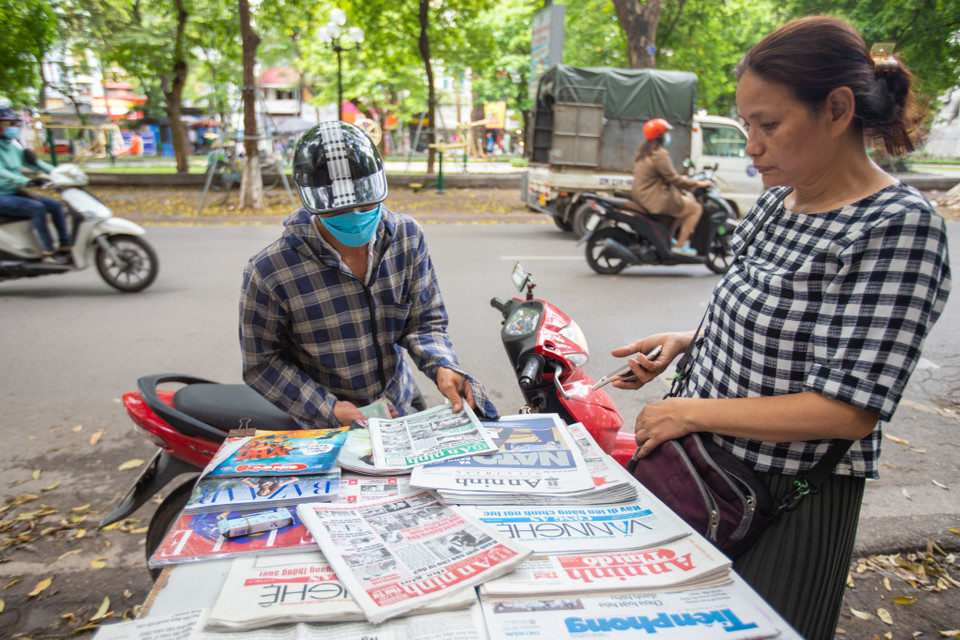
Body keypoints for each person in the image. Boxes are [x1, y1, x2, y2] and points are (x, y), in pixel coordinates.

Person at [609, 16, 950, 640]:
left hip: (789, 495)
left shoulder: (895, 226)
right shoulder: (774, 202)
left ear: (838, 109)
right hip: (701, 467)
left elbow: (846, 410)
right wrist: (688, 343)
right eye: (747, 126)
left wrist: (689, 412)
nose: (752, 146)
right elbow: (761, 315)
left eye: (769, 125)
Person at [240, 120, 498, 429]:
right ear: (312, 202)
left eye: (366, 204)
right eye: (338, 210)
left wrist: (442, 365)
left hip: (400, 399)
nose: (357, 217)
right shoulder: (270, 271)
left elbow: (425, 321)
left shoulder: (407, 237)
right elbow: (262, 363)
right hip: (329, 424)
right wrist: (329, 408)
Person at [630, 117, 712, 257]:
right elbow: (673, 179)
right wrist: (699, 183)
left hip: (643, 196)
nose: (668, 136)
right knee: (695, 208)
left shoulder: (646, 152)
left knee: (682, 205)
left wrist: (683, 180)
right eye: (666, 133)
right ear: (660, 135)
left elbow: (666, 175)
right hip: (654, 199)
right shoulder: (659, 154)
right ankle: (681, 245)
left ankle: (670, 238)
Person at [0, 107, 71, 263]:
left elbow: (34, 163)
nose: (13, 127)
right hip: (2, 196)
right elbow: (3, 173)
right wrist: (27, 181)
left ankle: (65, 246)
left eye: (14, 123)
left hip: (15, 192)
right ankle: (48, 251)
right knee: (37, 208)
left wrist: (60, 173)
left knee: (55, 205)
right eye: (8, 123)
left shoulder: (12, 147)